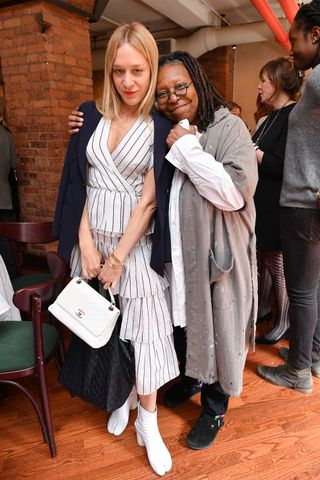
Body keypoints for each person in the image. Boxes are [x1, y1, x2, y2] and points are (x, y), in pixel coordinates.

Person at [68, 51, 258, 451]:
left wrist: (188, 148)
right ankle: (191, 377)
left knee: (219, 327)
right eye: (164, 92)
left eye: (181, 87)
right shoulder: (162, 128)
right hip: (175, 254)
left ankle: (214, 408)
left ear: (199, 83)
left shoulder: (229, 128)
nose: (173, 97)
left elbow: (234, 195)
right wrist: (83, 123)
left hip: (217, 255)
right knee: (184, 325)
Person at [52, 22, 180, 477]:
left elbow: (148, 203)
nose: (128, 81)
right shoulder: (88, 115)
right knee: (103, 329)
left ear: (150, 71)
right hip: (92, 244)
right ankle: (119, 396)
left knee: (144, 334)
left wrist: (118, 259)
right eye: (119, 71)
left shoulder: (160, 126)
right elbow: (79, 182)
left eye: (138, 71)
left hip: (133, 248)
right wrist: (85, 245)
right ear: (108, 70)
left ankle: (149, 422)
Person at [257, 0, 320, 394]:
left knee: (301, 290)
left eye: (295, 39)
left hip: (303, 203)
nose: (291, 48)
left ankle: (297, 370)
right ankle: (310, 354)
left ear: (315, 36)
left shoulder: (316, 80)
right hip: (307, 202)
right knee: (313, 287)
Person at [252, 57, 302, 345]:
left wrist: (254, 153)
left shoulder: (293, 114)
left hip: (277, 200)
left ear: (279, 83)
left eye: (264, 80)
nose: (259, 86)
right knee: (262, 259)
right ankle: (265, 309)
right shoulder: (268, 117)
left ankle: (284, 320)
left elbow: (284, 165)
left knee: (276, 262)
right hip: (262, 200)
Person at [0, 98, 19, 279]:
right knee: (5, 241)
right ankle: (12, 280)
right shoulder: (7, 136)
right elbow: (14, 163)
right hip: (5, 197)